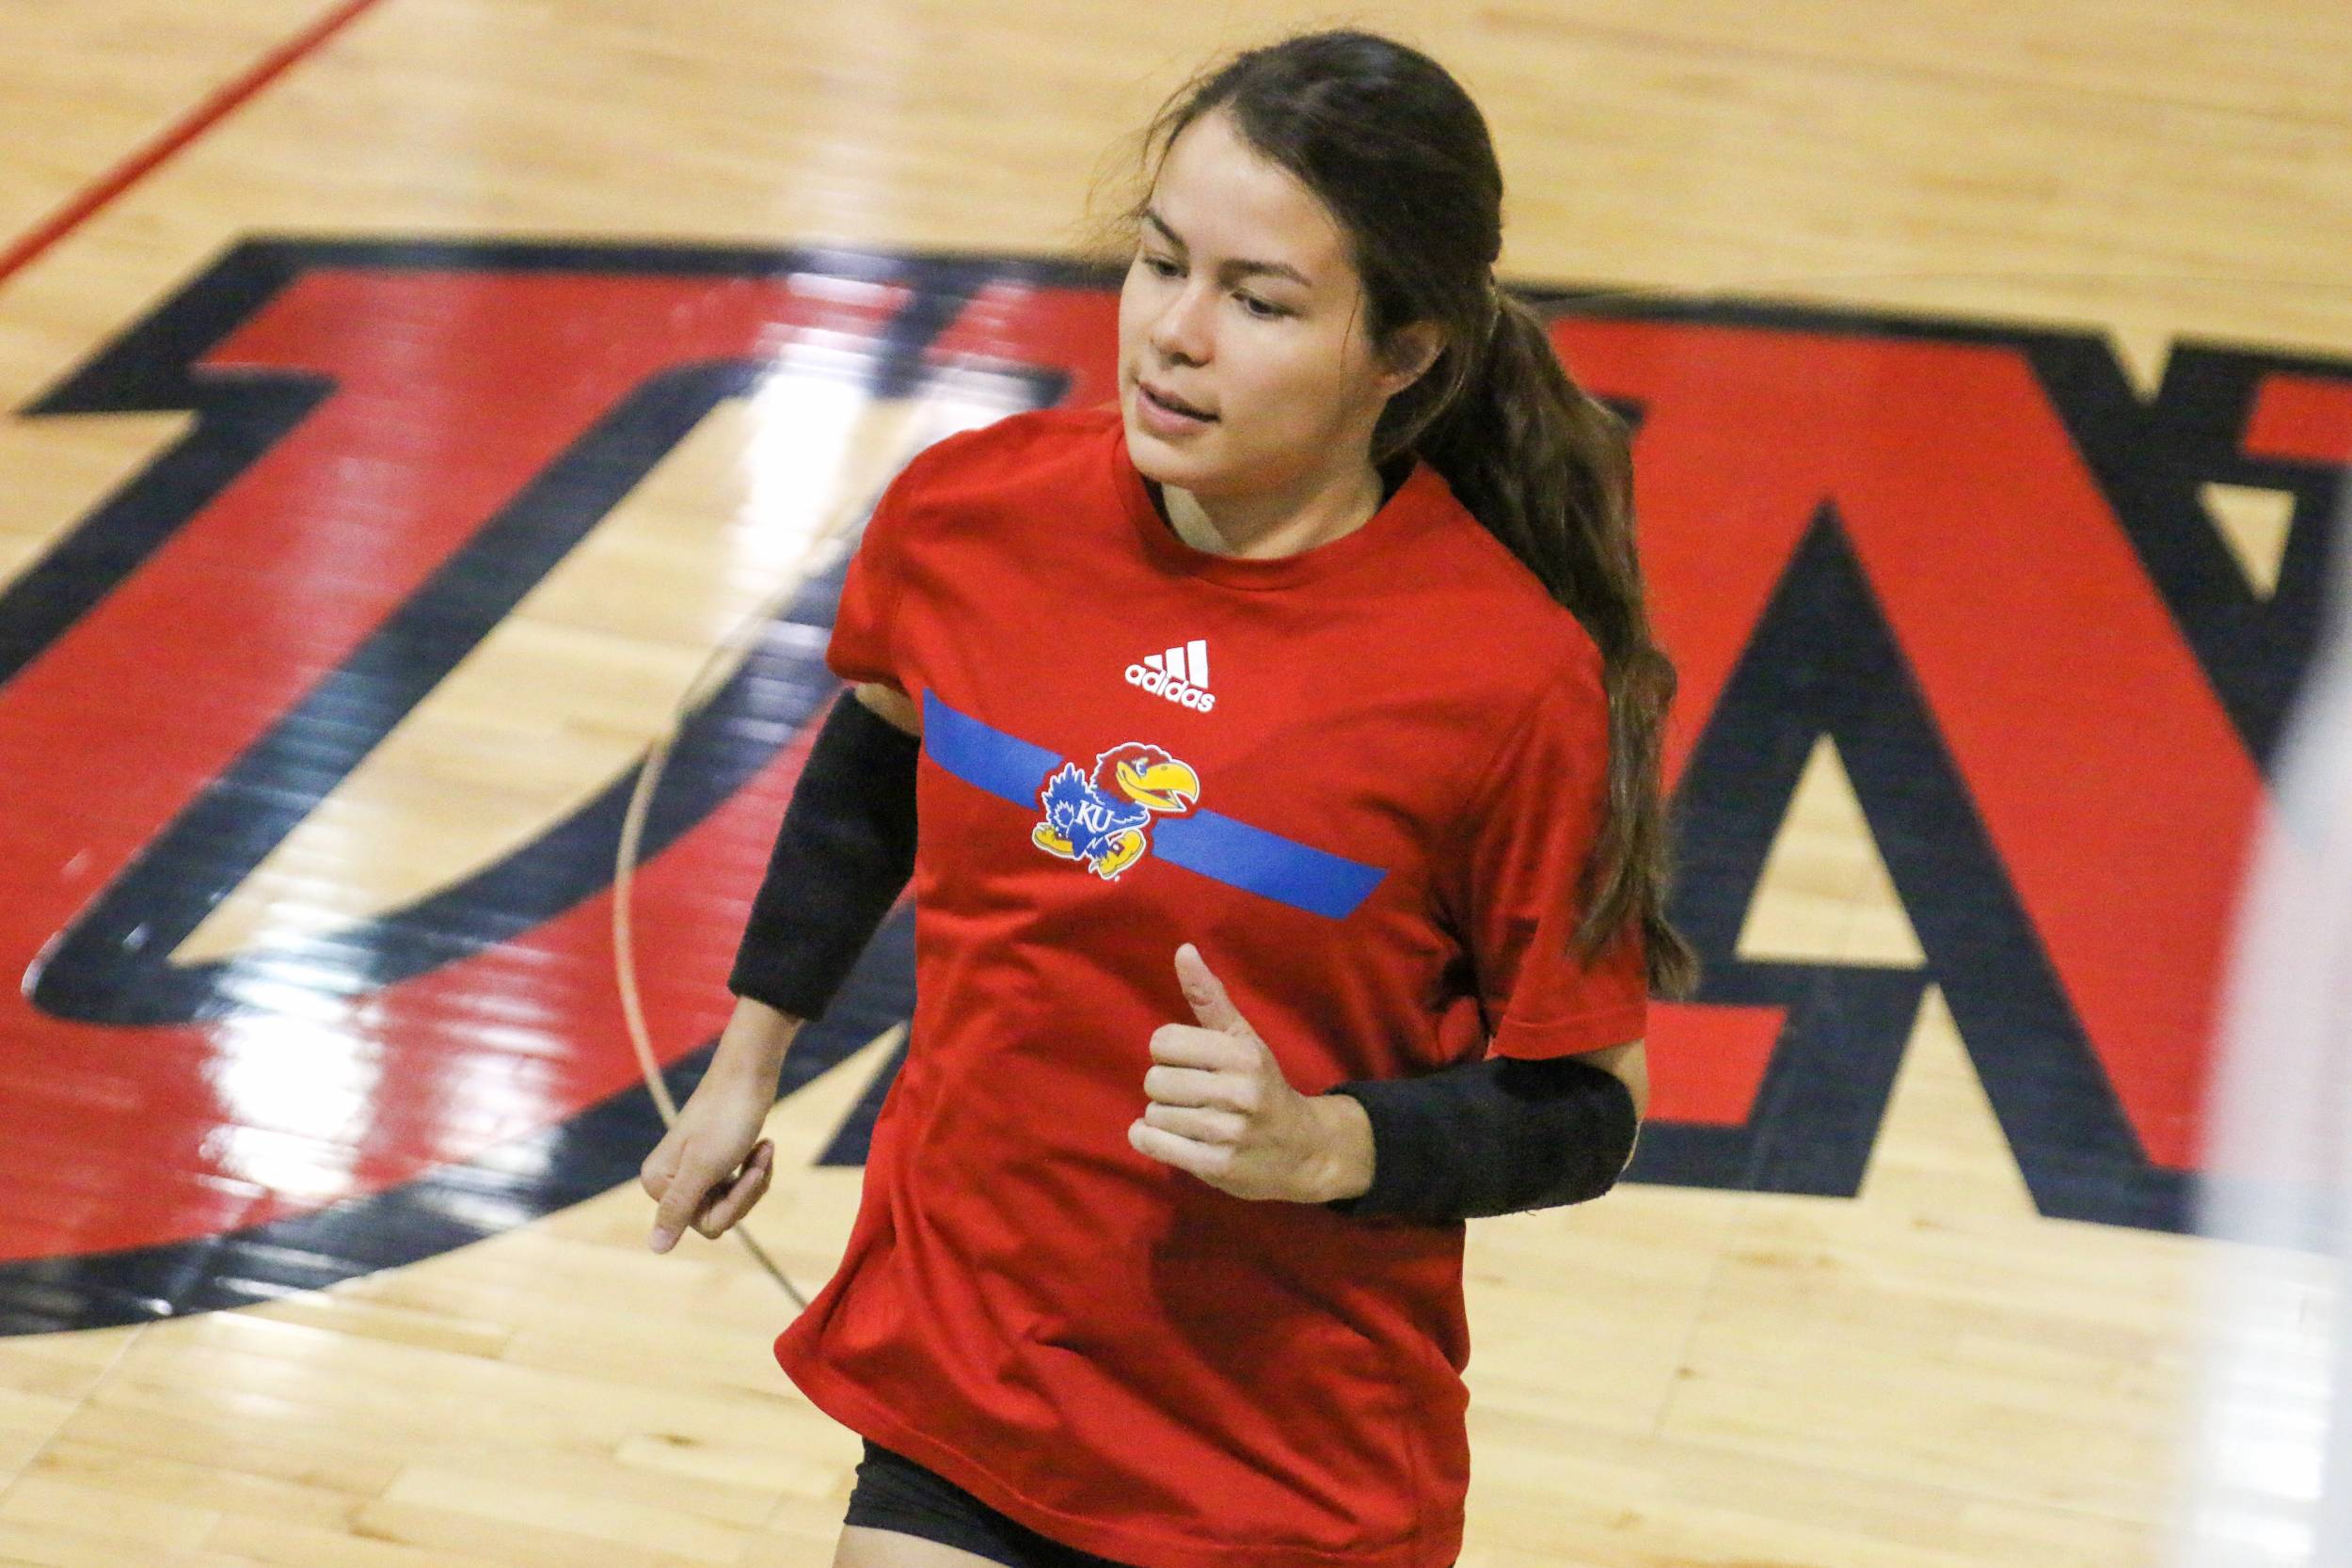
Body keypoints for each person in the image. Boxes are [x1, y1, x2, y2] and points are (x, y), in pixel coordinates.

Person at [640, 27, 1698, 1568]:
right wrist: (752, 1056)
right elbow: (882, 746)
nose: (1173, 336)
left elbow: (1589, 1108)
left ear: (1406, 354)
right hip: (974, 1368)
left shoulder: (1505, 687)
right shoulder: (974, 515)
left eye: (1259, 301)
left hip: (1280, 1465)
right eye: (1158, 265)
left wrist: (1332, 1145)